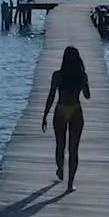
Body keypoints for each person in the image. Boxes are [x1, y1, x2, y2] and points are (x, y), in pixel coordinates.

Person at [41, 45, 90, 191]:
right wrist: (85, 84)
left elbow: (51, 96)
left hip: (61, 109)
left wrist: (44, 115)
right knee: (73, 149)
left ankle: (60, 169)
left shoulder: (57, 75)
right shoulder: (82, 76)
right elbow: (87, 96)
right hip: (76, 110)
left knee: (60, 145)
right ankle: (70, 184)